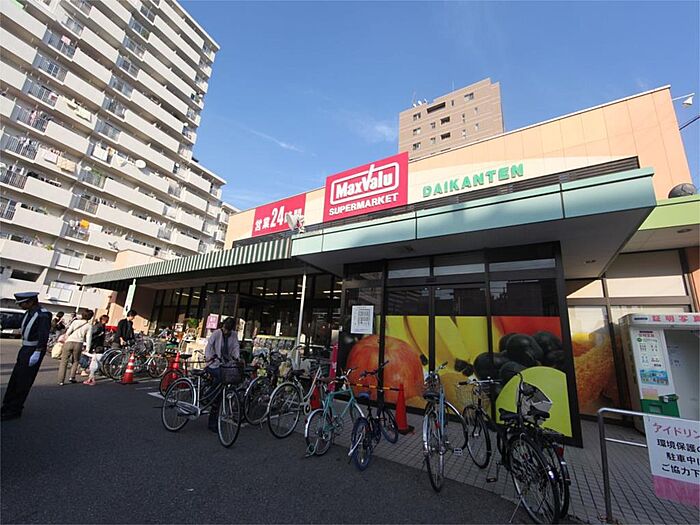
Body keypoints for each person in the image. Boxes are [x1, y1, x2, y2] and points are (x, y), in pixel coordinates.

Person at [1, 292, 51, 421]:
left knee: (23, 380)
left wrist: (38, 351)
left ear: (31, 302)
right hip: (25, 348)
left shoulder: (43, 315)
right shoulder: (29, 312)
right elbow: (16, 322)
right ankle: (7, 405)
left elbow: (43, 335)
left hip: (33, 350)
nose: (20, 306)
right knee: (15, 378)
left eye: (22, 303)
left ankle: (15, 409)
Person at [204, 317, 241, 432]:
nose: (226, 332)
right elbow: (209, 346)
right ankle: (209, 395)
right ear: (223, 326)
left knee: (230, 378)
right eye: (225, 329)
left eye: (228, 330)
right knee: (221, 380)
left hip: (225, 365)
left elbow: (235, 347)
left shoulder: (233, 335)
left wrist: (237, 358)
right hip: (213, 364)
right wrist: (209, 357)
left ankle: (213, 397)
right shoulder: (217, 333)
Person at [58, 310, 94, 385]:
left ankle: (61, 380)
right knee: (76, 361)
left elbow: (68, 332)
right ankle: (72, 377)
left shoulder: (75, 322)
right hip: (79, 343)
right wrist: (87, 348)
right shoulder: (89, 326)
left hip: (69, 341)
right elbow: (89, 337)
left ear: (82, 315)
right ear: (90, 317)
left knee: (64, 361)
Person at [83, 315, 109, 386]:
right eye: (106, 320)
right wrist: (99, 335)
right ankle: (86, 372)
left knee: (94, 361)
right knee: (94, 361)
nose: (106, 321)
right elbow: (92, 335)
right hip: (95, 345)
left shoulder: (101, 326)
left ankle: (90, 378)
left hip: (97, 345)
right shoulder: (98, 326)